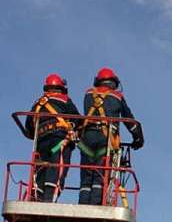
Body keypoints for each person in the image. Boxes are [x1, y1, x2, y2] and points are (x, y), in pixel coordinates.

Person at [78, 67, 144, 205]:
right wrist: (138, 139)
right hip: (105, 139)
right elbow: (130, 121)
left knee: (86, 176)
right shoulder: (117, 97)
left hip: (86, 138)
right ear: (114, 82)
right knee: (100, 174)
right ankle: (96, 205)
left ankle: (83, 204)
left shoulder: (88, 94)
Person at [23, 74, 81, 202]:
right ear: (61, 88)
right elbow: (78, 119)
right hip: (60, 140)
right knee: (56, 170)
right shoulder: (64, 100)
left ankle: (36, 198)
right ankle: (49, 200)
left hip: (41, 142)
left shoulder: (37, 103)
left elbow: (28, 129)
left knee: (41, 169)